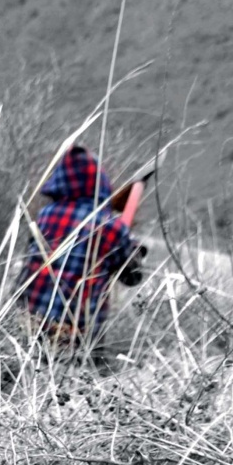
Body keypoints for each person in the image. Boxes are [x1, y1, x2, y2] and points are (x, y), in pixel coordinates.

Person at [21, 144, 146, 348]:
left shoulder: (45, 215)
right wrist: (132, 246)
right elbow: (132, 276)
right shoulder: (110, 226)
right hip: (76, 338)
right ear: (101, 183)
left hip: (27, 327)